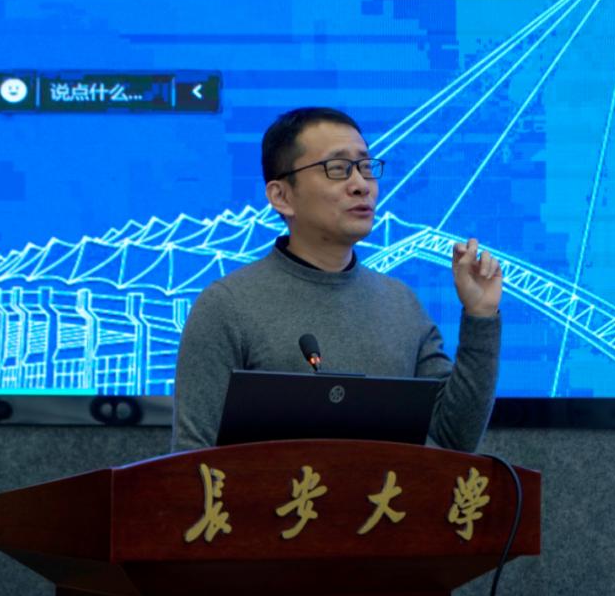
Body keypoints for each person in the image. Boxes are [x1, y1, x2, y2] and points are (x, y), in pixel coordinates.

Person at [171, 107, 502, 452]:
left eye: (365, 167)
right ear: (282, 196)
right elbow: (193, 457)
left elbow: (454, 440)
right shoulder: (228, 305)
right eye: (338, 168)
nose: (361, 185)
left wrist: (480, 316)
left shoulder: (401, 304)